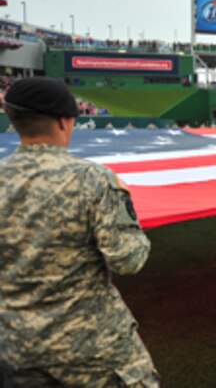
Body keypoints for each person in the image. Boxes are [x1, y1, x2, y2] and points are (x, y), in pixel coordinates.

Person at [0, 77, 159, 386]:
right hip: (89, 351)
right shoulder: (93, 180)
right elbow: (129, 260)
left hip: (14, 348)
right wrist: (125, 208)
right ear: (64, 121)